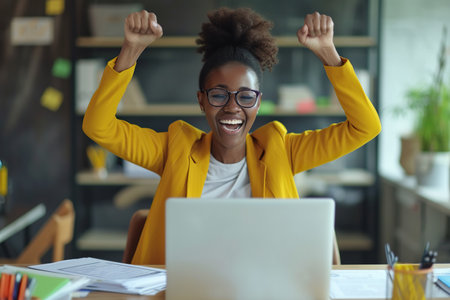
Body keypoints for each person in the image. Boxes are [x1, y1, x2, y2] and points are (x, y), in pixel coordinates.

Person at [82, 8, 381, 265]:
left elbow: (365, 126)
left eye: (245, 97)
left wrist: (328, 54)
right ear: (201, 100)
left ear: (259, 102)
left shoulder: (281, 149)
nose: (232, 108)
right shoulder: (176, 147)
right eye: (219, 95)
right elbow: (99, 126)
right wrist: (130, 51)